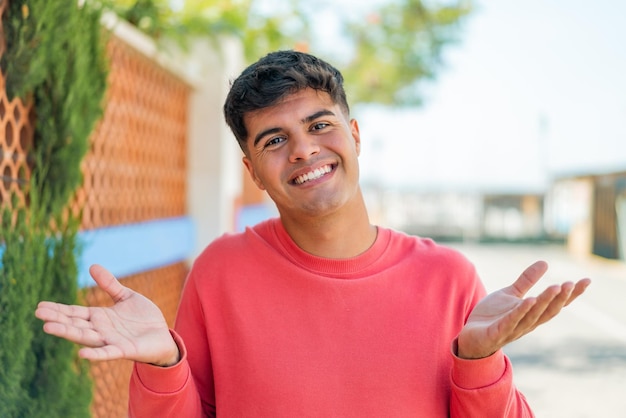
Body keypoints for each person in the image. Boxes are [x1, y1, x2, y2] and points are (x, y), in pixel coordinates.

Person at [36, 50, 591, 417]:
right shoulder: (221, 272)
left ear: (352, 135)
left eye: (319, 125)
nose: (303, 149)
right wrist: (162, 368)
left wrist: (478, 363)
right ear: (252, 170)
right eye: (273, 140)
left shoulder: (448, 278)